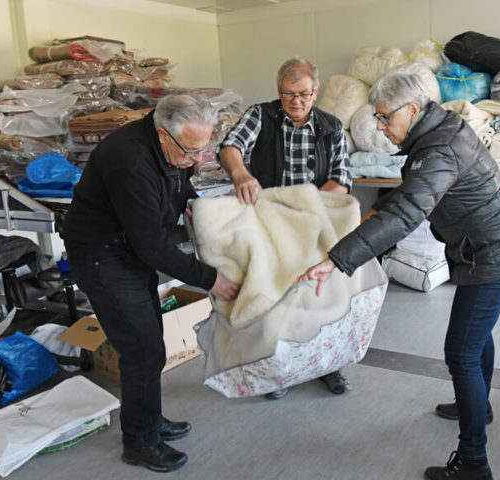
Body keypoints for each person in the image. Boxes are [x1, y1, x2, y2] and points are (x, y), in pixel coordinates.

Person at [298, 71, 500, 480]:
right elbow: (412, 195)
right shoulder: (441, 129)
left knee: (460, 353)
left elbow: (408, 212)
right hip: (499, 245)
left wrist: (339, 259)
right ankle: (479, 406)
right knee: (477, 339)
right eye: (375, 117)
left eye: (384, 117)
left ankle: (474, 463)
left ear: (412, 109)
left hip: (493, 256)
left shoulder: (438, 148)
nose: (379, 126)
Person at [62, 94, 240, 473]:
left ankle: (149, 421)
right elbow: (152, 247)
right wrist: (211, 280)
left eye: (203, 149)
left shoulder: (170, 147)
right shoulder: (129, 160)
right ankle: (139, 442)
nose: (196, 159)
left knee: (149, 344)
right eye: (190, 150)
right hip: (102, 255)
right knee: (142, 350)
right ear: (163, 135)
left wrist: (191, 200)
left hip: (127, 249)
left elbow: (177, 180)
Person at [219, 56, 353, 400]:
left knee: (320, 298)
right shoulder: (260, 115)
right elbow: (231, 146)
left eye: (304, 94)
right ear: (278, 90)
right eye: (288, 94)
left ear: (316, 91)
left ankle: (328, 365)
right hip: (270, 224)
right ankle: (278, 371)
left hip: (314, 224)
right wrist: (241, 173)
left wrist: (302, 205)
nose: (296, 102)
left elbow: (341, 181)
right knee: (274, 297)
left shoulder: (332, 127)